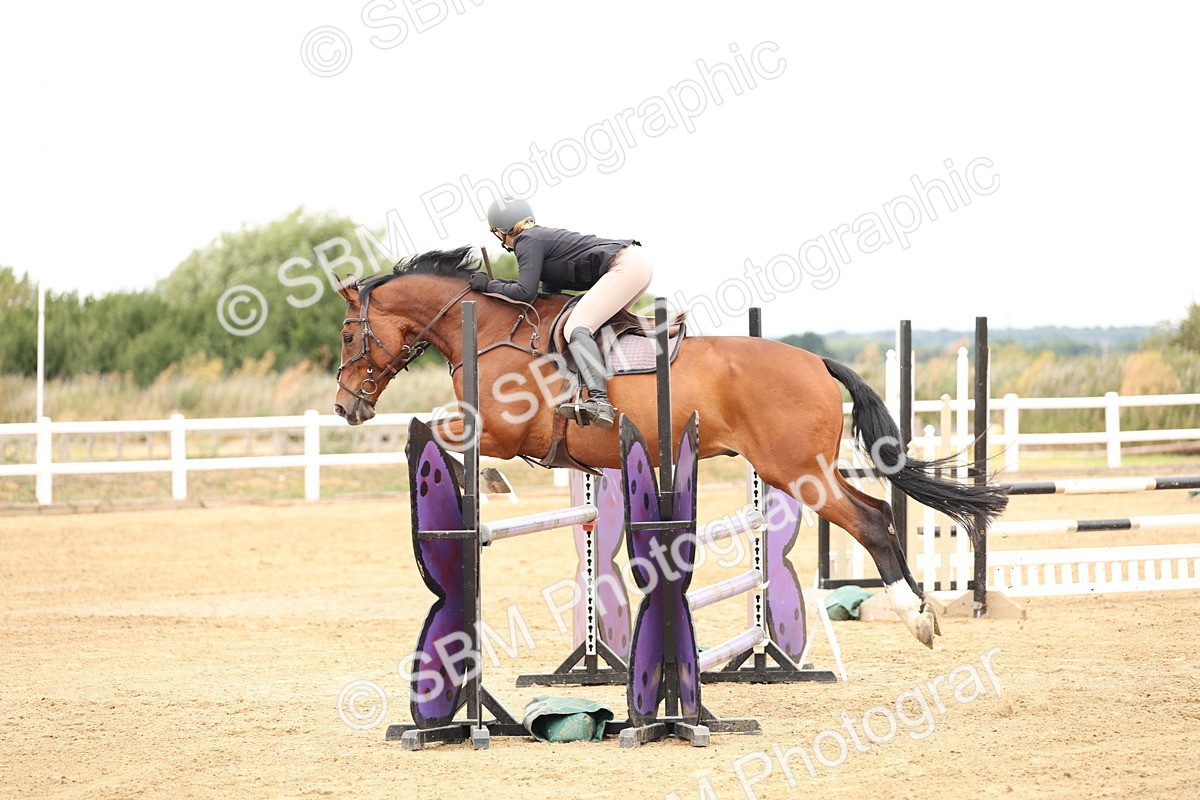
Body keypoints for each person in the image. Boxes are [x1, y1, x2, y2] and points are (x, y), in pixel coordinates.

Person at [470, 197, 652, 429]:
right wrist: (499, 285)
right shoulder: (537, 239)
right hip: (634, 265)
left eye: (496, 232)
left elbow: (525, 292)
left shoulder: (526, 241)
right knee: (594, 331)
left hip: (625, 266)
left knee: (577, 329)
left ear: (502, 230)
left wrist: (488, 285)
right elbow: (546, 298)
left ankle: (600, 402)